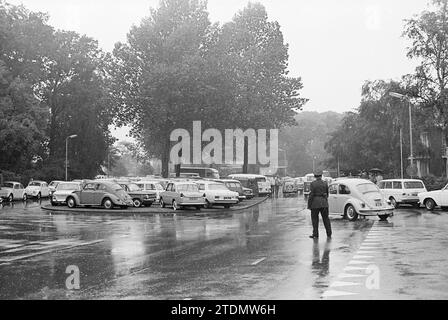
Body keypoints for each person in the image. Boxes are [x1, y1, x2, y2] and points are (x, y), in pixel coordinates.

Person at [307, 169, 332, 239]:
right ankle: (329, 233)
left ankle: (315, 234)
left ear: (315, 176)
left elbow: (311, 195)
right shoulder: (325, 183)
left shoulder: (313, 184)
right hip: (324, 203)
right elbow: (327, 194)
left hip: (315, 204)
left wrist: (309, 205)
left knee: (315, 219)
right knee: (326, 219)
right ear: (321, 176)